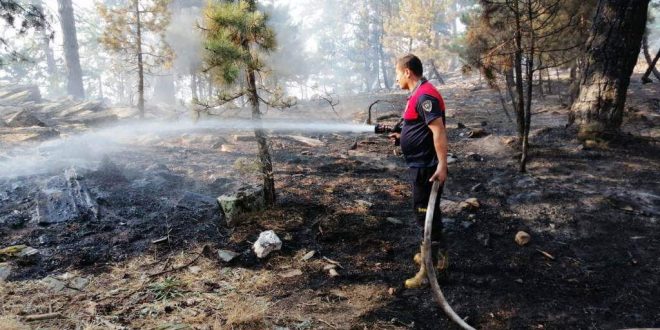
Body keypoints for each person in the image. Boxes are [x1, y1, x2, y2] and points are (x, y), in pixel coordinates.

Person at [388, 54, 449, 289]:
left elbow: (438, 131)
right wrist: (401, 137)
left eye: (397, 73)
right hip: (420, 164)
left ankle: (428, 268)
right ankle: (439, 257)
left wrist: (442, 165)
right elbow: (419, 127)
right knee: (430, 214)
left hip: (427, 168)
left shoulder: (425, 95)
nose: (396, 79)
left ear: (407, 72)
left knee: (424, 215)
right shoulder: (417, 94)